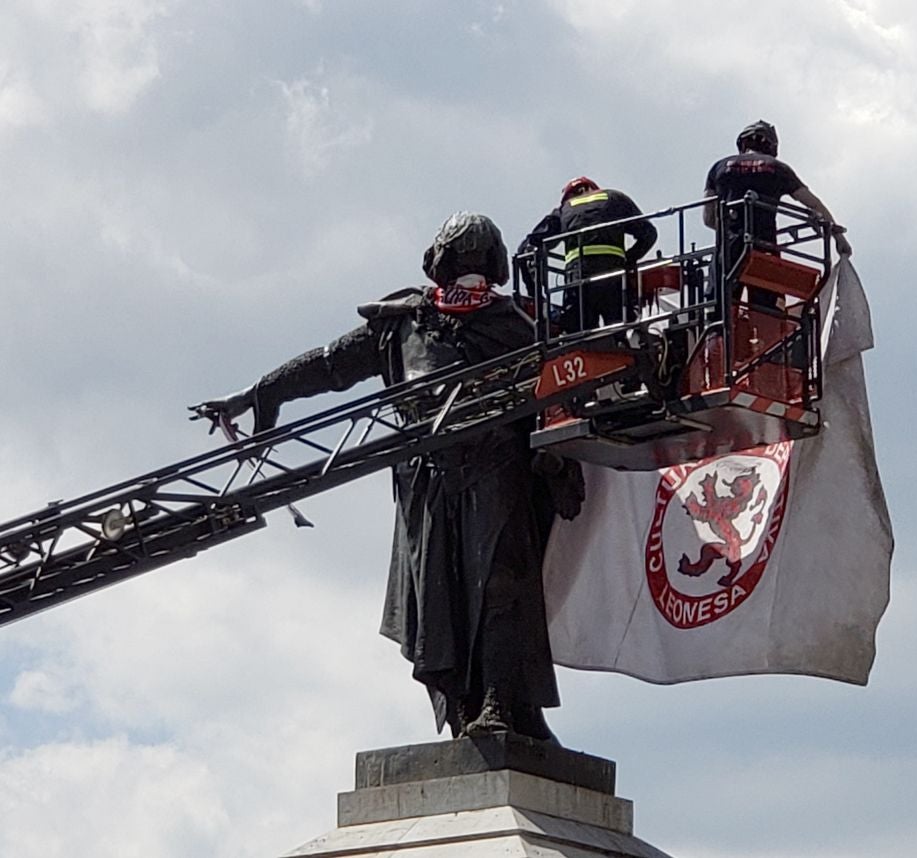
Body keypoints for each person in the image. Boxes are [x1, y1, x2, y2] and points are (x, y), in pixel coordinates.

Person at [194, 212, 583, 742]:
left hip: (498, 475)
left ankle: (501, 705)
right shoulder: (403, 323)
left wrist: (559, 463)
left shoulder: (517, 324)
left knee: (500, 587)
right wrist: (261, 392)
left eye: (475, 258)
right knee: (438, 598)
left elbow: (559, 397)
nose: (467, 268)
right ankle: (467, 710)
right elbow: (329, 365)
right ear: (440, 262)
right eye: (459, 257)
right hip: (427, 483)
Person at [703, 120, 852, 307]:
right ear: (772, 147)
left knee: (718, 308)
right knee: (766, 313)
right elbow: (813, 204)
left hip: (728, 249)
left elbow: (708, 218)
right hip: (764, 250)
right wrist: (838, 238)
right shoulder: (778, 169)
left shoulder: (719, 168)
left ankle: (716, 332)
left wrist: (733, 228)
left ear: (742, 144)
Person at [517, 177, 658, 333]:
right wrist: (628, 260)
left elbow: (528, 247)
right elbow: (649, 234)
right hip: (614, 277)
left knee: (578, 336)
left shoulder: (563, 210)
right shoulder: (615, 198)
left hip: (578, 281)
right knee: (620, 332)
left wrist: (536, 295)